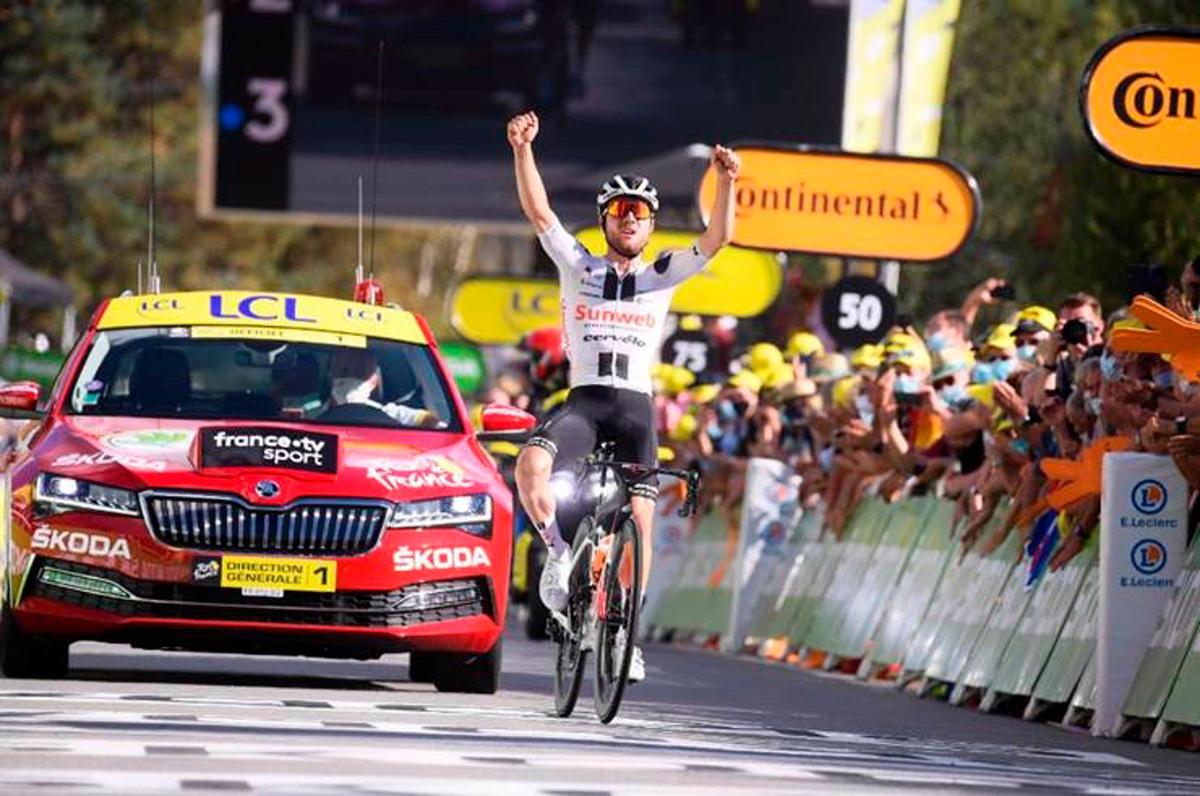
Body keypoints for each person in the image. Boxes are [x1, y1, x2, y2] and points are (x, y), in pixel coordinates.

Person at [507, 110, 740, 683]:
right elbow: (540, 213)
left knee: (641, 519)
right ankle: (560, 554)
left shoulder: (661, 273)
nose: (630, 219)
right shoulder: (578, 264)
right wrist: (522, 150)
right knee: (530, 468)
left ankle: (626, 635)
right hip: (584, 403)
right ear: (606, 220)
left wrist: (728, 181)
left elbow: (718, 240)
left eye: (640, 213)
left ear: (652, 225)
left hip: (635, 408)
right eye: (620, 211)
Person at [327, 348, 440, 428]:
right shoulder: (312, 415)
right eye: (344, 371)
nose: (350, 378)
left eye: (359, 373)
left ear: (374, 382)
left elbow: (435, 423)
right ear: (331, 375)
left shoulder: (388, 413)